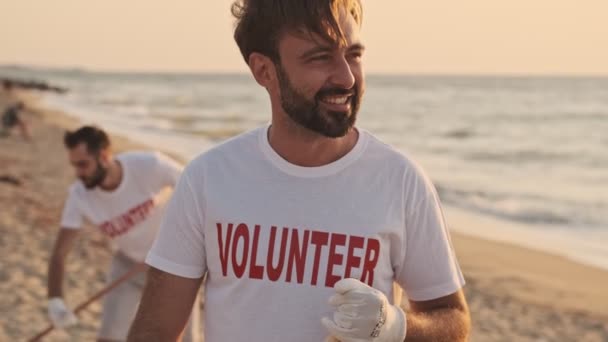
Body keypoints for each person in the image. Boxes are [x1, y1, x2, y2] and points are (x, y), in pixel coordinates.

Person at [128, 0, 471, 341]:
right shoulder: (208, 178)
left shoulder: (400, 181)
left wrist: (395, 326)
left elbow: (453, 320)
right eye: (320, 57)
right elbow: (155, 330)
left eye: (353, 55)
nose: (347, 77)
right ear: (264, 71)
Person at [47, 126, 200, 342]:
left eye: (83, 164)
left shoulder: (149, 165)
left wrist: (184, 245)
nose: (78, 173)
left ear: (104, 156)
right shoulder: (79, 195)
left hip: (171, 265)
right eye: (74, 165)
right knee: (109, 338)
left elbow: (196, 190)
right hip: (128, 264)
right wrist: (55, 301)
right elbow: (59, 253)